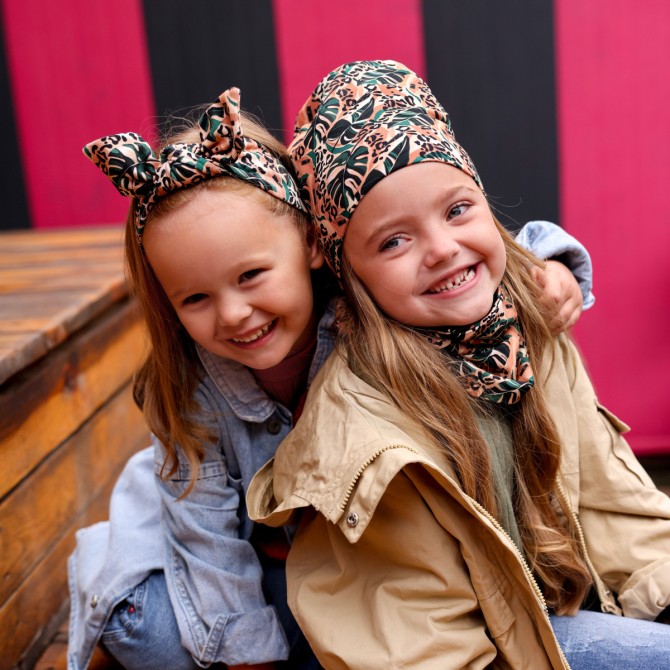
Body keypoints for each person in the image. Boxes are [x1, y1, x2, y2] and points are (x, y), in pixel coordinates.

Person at [68, 86, 593, 670]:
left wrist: (553, 265)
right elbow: (208, 544)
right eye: (195, 298)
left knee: (331, 627)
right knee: (158, 636)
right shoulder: (193, 394)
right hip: (229, 561)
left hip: (333, 572)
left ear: (315, 245)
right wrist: (250, 657)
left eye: (251, 275)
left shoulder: (355, 304)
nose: (234, 313)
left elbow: (448, 258)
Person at [247, 60, 670, 669]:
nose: (442, 249)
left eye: (456, 210)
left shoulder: (526, 327)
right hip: (499, 648)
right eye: (394, 241)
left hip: (557, 611)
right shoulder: (362, 436)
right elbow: (414, 646)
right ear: (350, 273)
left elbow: (613, 505)